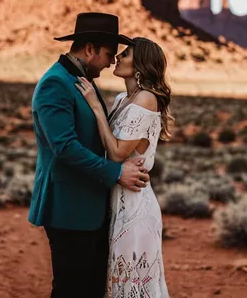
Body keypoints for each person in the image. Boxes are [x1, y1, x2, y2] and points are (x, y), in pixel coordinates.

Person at [28, 12, 151, 298]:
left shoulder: (82, 78)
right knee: (71, 290)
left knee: (92, 288)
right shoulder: (55, 83)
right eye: (109, 54)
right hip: (68, 209)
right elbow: (64, 147)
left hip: (90, 209)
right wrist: (117, 173)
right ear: (90, 49)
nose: (111, 62)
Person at [76, 36, 172, 298]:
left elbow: (117, 153)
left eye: (126, 54)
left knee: (132, 286)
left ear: (141, 63)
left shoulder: (146, 99)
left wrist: (96, 107)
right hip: (117, 202)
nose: (118, 57)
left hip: (136, 209)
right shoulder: (122, 99)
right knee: (117, 284)